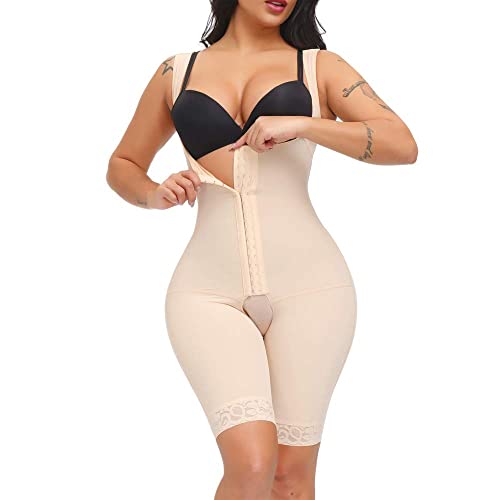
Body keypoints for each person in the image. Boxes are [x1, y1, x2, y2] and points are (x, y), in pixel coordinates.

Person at [106, 1, 418, 498]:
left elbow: (402, 144)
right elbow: (123, 163)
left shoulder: (319, 66)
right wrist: (153, 193)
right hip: (206, 290)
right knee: (251, 464)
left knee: (289, 478)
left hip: (312, 287)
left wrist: (305, 124)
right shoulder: (176, 71)